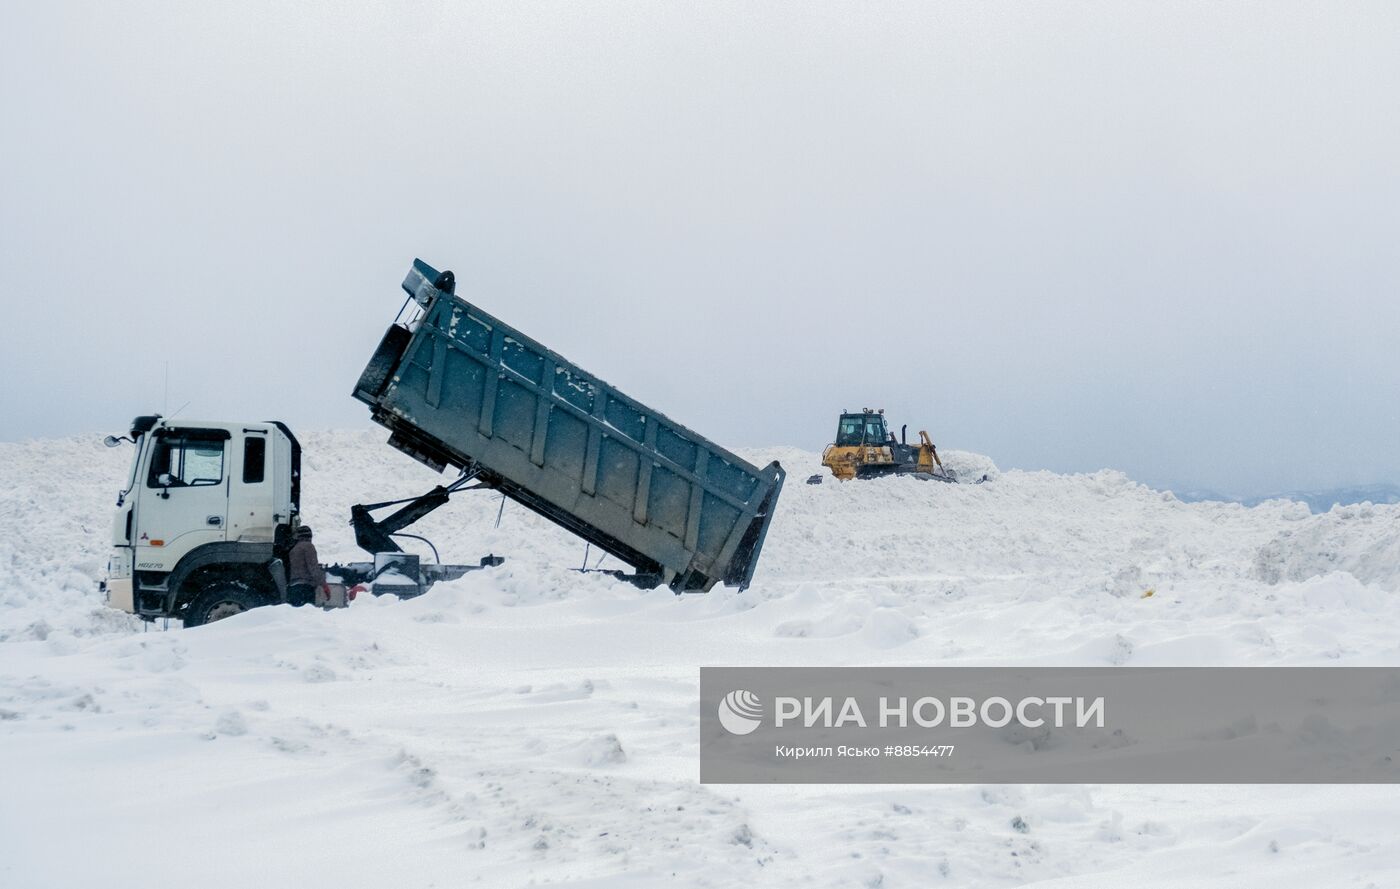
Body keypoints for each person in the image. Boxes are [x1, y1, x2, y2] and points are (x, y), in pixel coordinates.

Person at [287, 525, 326, 607]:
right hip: (305, 588)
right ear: (309, 536)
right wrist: (323, 584)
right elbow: (313, 568)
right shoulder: (308, 547)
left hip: (293, 587)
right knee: (306, 615)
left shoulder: (294, 549)